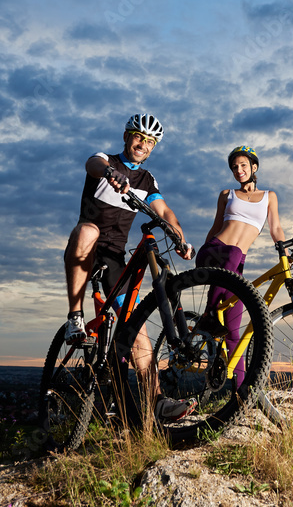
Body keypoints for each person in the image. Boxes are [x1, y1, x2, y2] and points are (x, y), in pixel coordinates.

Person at [63, 113, 196, 421]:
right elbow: (92, 164)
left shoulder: (146, 181)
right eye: (138, 137)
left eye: (150, 142)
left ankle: (156, 400)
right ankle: (75, 316)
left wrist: (179, 237)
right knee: (88, 230)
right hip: (86, 245)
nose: (143, 144)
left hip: (113, 260)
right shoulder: (105, 161)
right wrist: (110, 172)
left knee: (138, 332)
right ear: (126, 136)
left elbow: (164, 210)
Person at [196, 146, 286, 388]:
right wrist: (199, 259)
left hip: (236, 264)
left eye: (243, 165)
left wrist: (286, 253)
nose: (239, 170)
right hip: (215, 252)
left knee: (235, 331)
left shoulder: (269, 196)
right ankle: (208, 315)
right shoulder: (227, 194)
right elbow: (216, 227)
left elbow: (275, 229)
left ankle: (242, 394)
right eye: (234, 167)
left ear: (254, 167)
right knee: (234, 252)